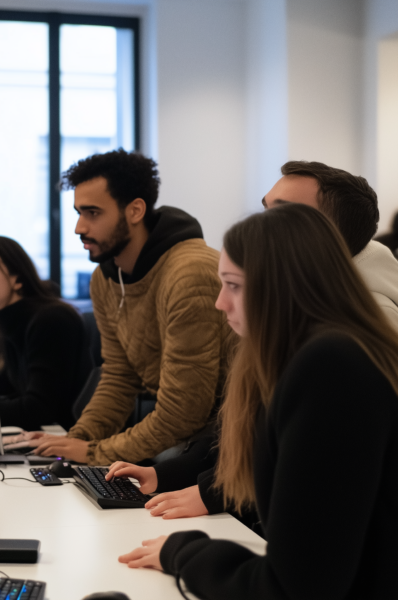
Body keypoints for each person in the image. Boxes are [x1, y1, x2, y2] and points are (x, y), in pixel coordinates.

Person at [118, 203, 398, 600]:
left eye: (233, 285)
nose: (220, 303)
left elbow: (296, 587)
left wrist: (184, 551)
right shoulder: (312, 357)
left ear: (284, 285)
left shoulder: (331, 367)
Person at [31, 149, 232, 465]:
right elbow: (120, 376)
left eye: (93, 213)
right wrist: (76, 440)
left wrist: (96, 453)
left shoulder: (189, 273)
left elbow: (184, 414)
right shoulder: (106, 278)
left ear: (136, 210)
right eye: (78, 212)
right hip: (188, 445)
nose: (78, 228)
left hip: (225, 446)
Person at [0, 236, 93, 431]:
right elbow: (11, 389)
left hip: (73, 440)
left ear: (17, 278)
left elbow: (39, 409)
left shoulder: (50, 320)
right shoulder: (8, 320)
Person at [263, 161, 398, 329]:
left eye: (281, 215)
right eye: (265, 210)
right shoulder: (285, 292)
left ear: (331, 236)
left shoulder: (368, 320)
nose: (258, 226)